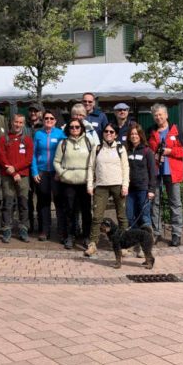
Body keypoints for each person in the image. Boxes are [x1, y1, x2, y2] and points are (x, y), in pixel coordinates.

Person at [86, 122, 129, 257]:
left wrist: (125, 185)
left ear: (115, 134)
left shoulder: (121, 148)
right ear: (103, 133)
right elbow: (91, 167)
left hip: (118, 185)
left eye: (111, 132)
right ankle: (92, 244)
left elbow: (125, 167)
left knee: (121, 216)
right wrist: (89, 185)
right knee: (97, 216)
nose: (108, 134)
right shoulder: (97, 148)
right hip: (101, 186)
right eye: (106, 131)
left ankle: (123, 245)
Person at [148, 103, 183, 247]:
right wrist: (155, 155)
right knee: (155, 204)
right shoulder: (151, 131)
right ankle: (156, 233)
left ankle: (176, 234)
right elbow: (148, 152)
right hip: (156, 173)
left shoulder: (176, 131)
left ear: (166, 115)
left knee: (175, 204)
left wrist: (170, 152)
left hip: (172, 173)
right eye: (155, 115)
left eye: (160, 114)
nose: (158, 117)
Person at [53, 118, 92, 250]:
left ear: (81, 128)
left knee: (86, 211)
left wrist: (92, 178)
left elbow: (95, 161)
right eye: (72, 127)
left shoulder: (88, 141)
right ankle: (70, 235)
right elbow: (56, 161)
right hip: (68, 182)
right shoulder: (63, 143)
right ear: (68, 129)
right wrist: (63, 174)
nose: (74, 129)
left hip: (85, 181)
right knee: (69, 210)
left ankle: (87, 236)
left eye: (77, 127)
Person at [0, 114, 34, 243]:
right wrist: (13, 172)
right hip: (7, 176)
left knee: (23, 204)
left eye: (20, 122)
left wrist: (16, 169)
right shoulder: (4, 139)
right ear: (11, 122)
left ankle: (23, 229)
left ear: (23, 124)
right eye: (16, 122)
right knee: (7, 204)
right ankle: (6, 230)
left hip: (23, 176)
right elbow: (1, 158)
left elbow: (29, 159)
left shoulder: (28, 140)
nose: (18, 124)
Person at [31, 109, 66, 241]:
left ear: (55, 121)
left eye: (51, 118)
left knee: (59, 202)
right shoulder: (38, 134)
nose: (49, 120)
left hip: (56, 173)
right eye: (46, 118)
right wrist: (34, 172)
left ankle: (62, 231)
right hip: (42, 172)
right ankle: (44, 230)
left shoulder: (61, 134)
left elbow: (65, 154)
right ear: (43, 120)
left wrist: (60, 171)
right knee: (43, 202)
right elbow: (33, 155)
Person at [25, 103, 44, 233]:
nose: (33, 113)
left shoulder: (44, 126)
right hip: (25, 167)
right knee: (27, 198)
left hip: (39, 167)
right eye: (31, 111)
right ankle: (29, 224)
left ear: (40, 113)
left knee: (42, 198)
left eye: (35, 111)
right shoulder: (24, 126)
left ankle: (42, 225)